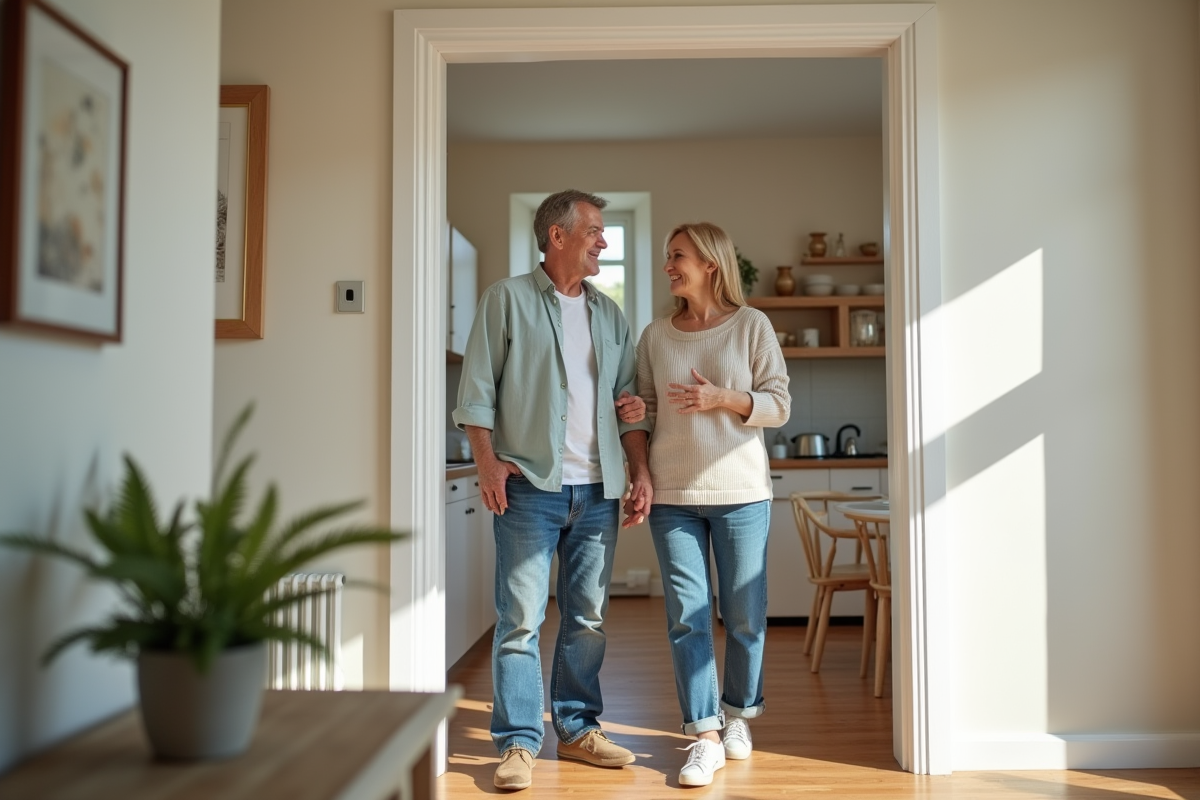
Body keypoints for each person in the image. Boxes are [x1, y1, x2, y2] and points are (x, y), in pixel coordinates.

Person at [453, 189, 652, 792]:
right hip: (530, 489)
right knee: (520, 620)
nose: (603, 242)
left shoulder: (609, 315)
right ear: (557, 236)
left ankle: (578, 728)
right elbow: (476, 393)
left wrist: (638, 470)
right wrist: (487, 463)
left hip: (596, 490)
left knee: (587, 618)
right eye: (594, 230)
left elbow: (627, 410)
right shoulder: (506, 300)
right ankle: (517, 743)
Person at [623, 222, 790, 787]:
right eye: (669, 257)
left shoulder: (751, 326)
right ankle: (705, 734)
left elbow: (779, 403)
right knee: (687, 619)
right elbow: (644, 408)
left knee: (744, 617)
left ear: (710, 264)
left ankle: (739, 714)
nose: (669, 266)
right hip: (673, 496)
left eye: (678, 256)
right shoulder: (655, 336)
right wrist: (634, 440)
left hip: (742, 493)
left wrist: (722, 397)